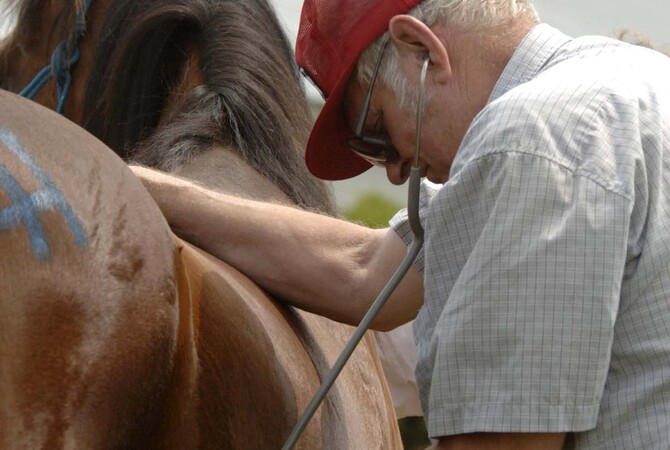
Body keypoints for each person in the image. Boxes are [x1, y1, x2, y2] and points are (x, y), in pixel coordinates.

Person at [131, 0, 670, 448]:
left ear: (421, 49)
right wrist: (136, 184)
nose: (392, 172)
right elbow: (365, 267)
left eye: (376, 130)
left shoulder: (527, 136)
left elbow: (500, 442)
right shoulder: (631, 86)